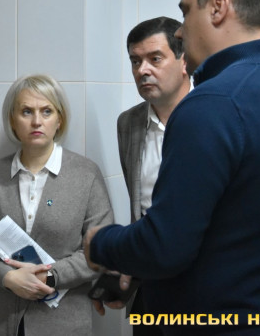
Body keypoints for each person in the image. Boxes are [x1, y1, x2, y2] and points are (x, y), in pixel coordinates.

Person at [84, 0, 260, 335]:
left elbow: (165, 246)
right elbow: (231, 233)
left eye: (185, 12)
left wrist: (100, 243)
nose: (180, 30)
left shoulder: (213, 103)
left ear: (218, 7)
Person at [0, 74, 114, 336]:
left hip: (65, 321)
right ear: (13, 120)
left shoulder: (86, 175)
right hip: (5, 320)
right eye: (26, 111)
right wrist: (8, 277)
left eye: (46, 111)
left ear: (59, 119)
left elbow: (101, 249)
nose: (37, 121)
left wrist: (50, 276)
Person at [96, 17, 190, 335]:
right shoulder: (129, 123)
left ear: (184, 61)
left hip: (202, 287)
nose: (142, 70)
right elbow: (143, 213)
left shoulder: (213, 116)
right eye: (135, 61)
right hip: (150, 287)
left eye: (155, 58)